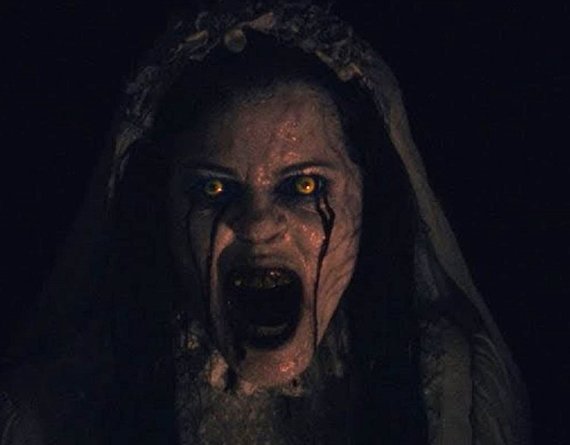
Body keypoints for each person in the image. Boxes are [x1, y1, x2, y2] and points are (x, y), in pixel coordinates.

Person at [1, 1, 530, 444]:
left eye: (304, 187)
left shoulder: (448, 394)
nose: (257, 226)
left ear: (367, 197)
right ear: (158, 206)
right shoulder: (61, 407)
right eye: (213, 189)